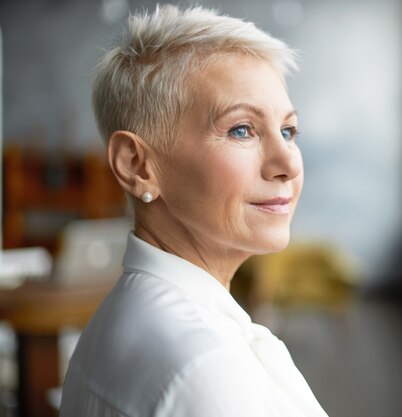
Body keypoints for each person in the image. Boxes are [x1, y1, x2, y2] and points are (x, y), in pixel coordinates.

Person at [59, 5, 329, 417]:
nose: (289, 163)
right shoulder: (205, 370)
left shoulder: (122, 318)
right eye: (242, 129)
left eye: (288, 131)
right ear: (137, 165)